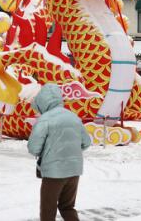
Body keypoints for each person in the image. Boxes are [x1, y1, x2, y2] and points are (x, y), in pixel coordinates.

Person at [27, 83, 92, 221]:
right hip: (74, 171)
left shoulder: (45, 120)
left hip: (53, 173)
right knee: (67, 207)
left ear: (42, 102)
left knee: (48, 211)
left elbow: (33, 148)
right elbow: (86, 142)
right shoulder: (74, 117)